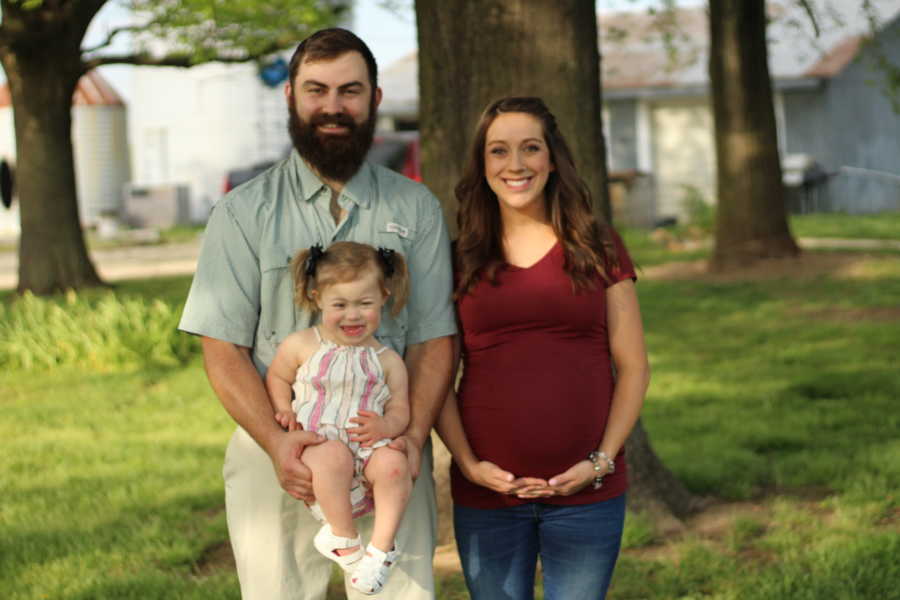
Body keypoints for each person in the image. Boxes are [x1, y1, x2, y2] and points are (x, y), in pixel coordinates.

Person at [178, 28, 456, 600]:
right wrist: (278, 445)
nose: (333, 107)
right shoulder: (241, 213)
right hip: (275, 448)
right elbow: (222, 347)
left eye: (350, 90)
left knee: (397, 594)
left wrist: (411, 437)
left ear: (375, 99)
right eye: (317, 90)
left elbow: (434, 339)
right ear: (291, 98)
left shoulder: (417, 208)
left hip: (389, 449)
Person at [437, 96, 650, 600]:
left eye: (530, 148)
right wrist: (468, 465)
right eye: (499, 151)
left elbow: (635, 367)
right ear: (482, 164)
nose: (515, 165)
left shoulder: (598, 246)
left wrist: (599, 462)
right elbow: (436, 378)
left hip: (587, 493)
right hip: (487, 495)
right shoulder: (458, 259)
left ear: (552, 159)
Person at [266, 242, 413, 594]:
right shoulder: (303, 344)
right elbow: (277, 377)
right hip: (321, 444)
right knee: (333, 455)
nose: (353, 315)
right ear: (317, 299)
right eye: (340, 305)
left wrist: (386, 427)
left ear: (383, 297)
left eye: (365, 304)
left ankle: (380, 549)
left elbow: (400, 407)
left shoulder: (387, 359)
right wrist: (283, 408)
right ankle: (344, 538)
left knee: (394, 464)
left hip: (367, 447)